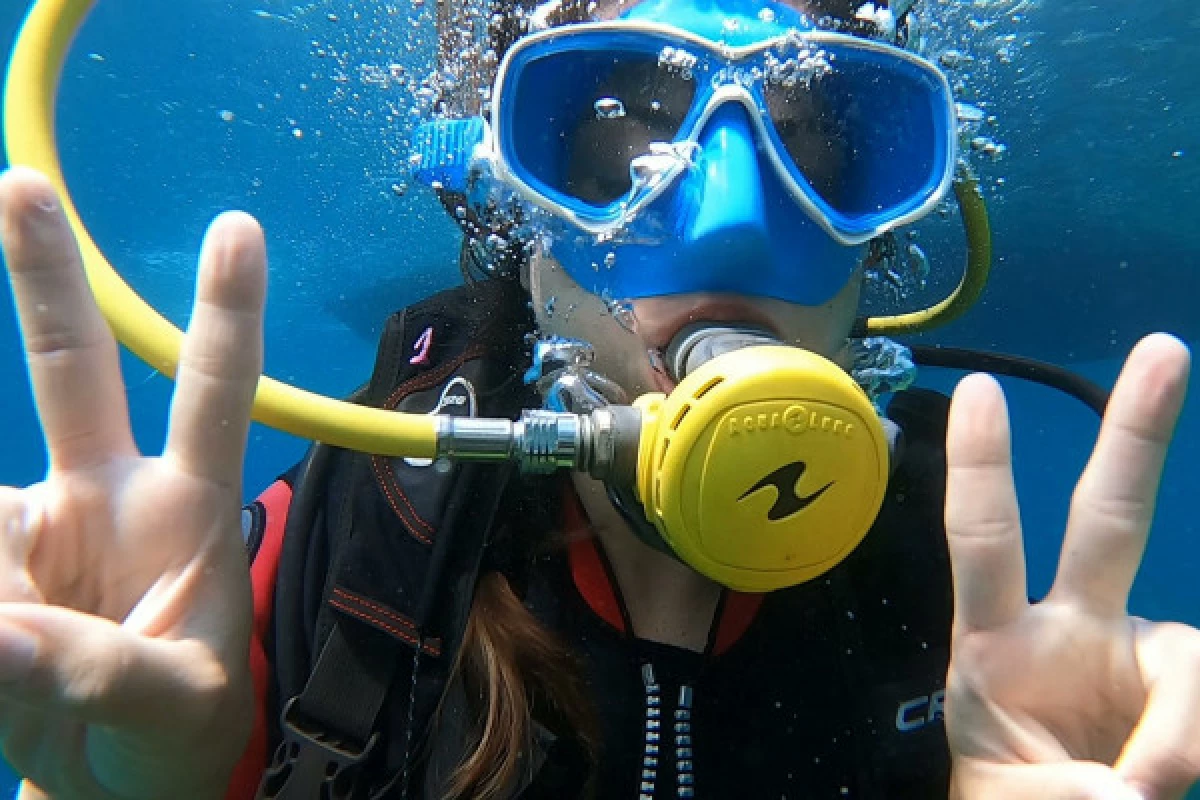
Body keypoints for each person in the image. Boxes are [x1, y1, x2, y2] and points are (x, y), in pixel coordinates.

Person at [0, 0, 1198, 797]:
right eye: (626, 138)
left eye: (814, 153)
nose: (731, 219)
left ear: (877, 250)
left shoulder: (948, 579)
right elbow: (120, 728)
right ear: (518, 220)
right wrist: (122, 781)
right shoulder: (367, 543)